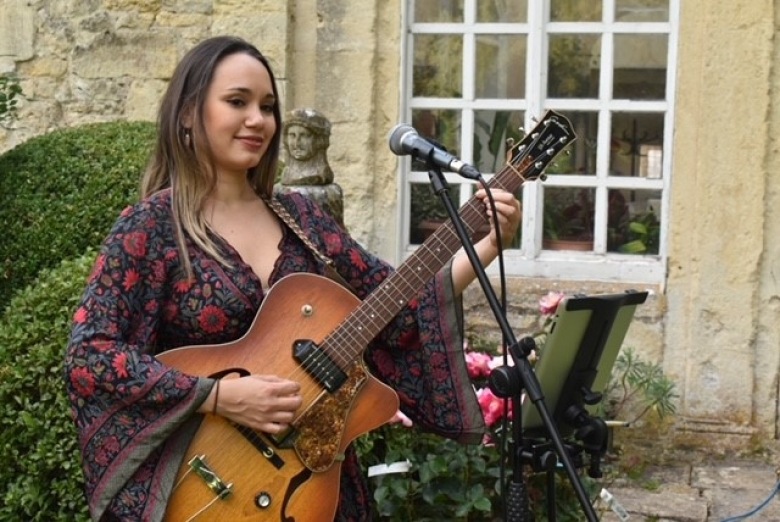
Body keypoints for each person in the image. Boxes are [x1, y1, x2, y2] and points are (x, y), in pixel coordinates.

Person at [64, 35, 521, 522]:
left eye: (267, 106)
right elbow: (90, 355)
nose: (258, 120)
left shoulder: (302, 217)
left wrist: (486, 245)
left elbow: (397, 306)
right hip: (207, 484)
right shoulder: (154, 227)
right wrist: (219, 396)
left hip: (310, 487)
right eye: (237, 102)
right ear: (187, 113)